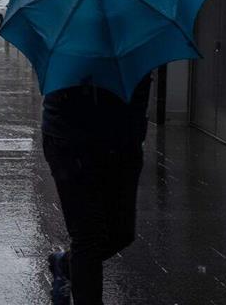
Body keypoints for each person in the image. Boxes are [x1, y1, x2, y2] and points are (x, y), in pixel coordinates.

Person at [43, 75, 151, 305]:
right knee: (87, 237)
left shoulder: (133, 42)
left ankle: (65, 264)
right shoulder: (72, 42)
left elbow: (140, 91)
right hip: (69, 142)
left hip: (121, 144)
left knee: (121, 233)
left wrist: (135, 133)